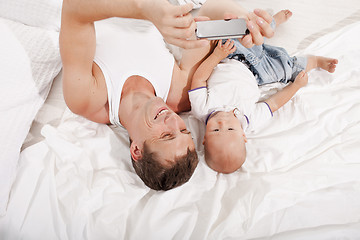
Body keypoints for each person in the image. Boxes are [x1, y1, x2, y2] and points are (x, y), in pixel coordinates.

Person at [59, 0, 275, 190]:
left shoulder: (88, 99)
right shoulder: (180, 94)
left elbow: (74, 8)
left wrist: (144, 7)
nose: (173, 120)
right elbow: (206, 15)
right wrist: (243, 19)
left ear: (136, 150)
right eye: (183, 129)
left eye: (166, 135)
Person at [188, 10, 338, 174]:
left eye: (215, 130)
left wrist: (217, 56)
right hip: (258, 74)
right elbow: (273, 103)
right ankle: (314, 61)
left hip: (231, 55)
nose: (222, 123)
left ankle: (274, 21)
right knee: (285, 71)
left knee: (246, 32)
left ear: (204, 138)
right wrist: (296, 86)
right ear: (243, 136)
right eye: (230, 129)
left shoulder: (201, 109)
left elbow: (199, 79)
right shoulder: (250, 120)